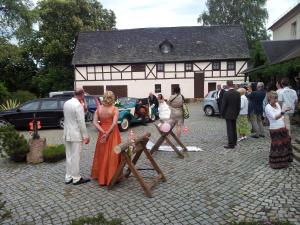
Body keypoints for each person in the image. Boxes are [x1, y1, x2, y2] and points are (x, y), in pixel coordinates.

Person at [91, 91, 121, 186]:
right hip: (112, 133)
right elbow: (114, 123)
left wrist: (103, 131)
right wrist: (107, 133)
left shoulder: (98, 109)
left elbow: (95, 122)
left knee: (102, 153)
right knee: (113, 154)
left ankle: (102, 176)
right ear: (113, 98)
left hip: (102, 132)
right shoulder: (115, 109)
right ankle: (111, 176)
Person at [63, 88, 90, 185]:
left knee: (69, 156)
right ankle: (76, 178)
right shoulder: (78, 105)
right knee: (76, 156)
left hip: (67, 133)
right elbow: (81, 122)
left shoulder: (66, 103)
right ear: (82, 94)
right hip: (75, 134)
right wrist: (85, 136)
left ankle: (68, 177)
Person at [265, 91, 292, 169]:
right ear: (270, 98)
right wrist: (283, 111)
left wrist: (286, 126)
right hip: (274, 129)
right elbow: (275, 117)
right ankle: (276, 164)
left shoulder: (277, 104)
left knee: (284, 145)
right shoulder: (267, 107)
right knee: (277, 146)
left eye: (277, 98)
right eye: (275, 98)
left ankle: (284, 161)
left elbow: (282, 117)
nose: (276, 100)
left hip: (282, 127)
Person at [221, 80, 241, 149]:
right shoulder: (237, 93)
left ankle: (230, 144)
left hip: (228, 114)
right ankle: (234, 142)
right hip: (235, 113)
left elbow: (223, 105)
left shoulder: (226, 94)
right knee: (234, 128)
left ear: (227, 84)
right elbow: (239, 105)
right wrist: (237, 113)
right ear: (232, 84)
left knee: (229, 129)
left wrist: (222, 113)